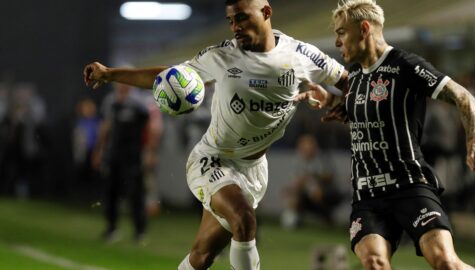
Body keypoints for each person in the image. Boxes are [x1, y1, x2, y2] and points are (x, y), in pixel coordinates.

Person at [83, 0, 347, 268]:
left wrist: (338, 103)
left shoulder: (302, 56)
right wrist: (110, 74)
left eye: (242, 18)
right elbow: (169, 76)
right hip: (213, 159)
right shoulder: (222, 56)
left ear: (266, 12)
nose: (235, 27)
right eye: (231, 20)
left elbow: (348, 83)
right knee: (244, 219)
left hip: (253, 169)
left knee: (202, 256)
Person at [299, 1, 475, 269]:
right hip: (367, 195)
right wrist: (331, 102)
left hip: (409, 186)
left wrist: (474, 142)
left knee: (445, 263)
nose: (337, 41)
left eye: (342, 32)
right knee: (374, 262)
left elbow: (464, 97)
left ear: (365, 29)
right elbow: (363, 116)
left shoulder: (406, 66)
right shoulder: (354, 77)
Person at [93, 84, 151, 243]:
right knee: (110, 192)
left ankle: (140, 231)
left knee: (135, 194)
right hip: (113, 154)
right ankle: (111, 228)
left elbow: (151, 127)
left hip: (133, 155)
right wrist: (99, 150)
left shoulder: (140, 103)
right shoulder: (110, 101)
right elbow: (105, 126)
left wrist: (150, 151)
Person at [281, 134, 342, 228]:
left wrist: (313, 177)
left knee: (319, 194)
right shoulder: (298, 162)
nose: (305, 150)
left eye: (308, 147)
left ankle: (327, 218)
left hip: (326, 191)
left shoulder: (322, 158)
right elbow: (297, 182)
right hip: (307, 193)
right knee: (291, 195)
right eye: (303, 147)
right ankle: (293, 221)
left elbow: (330, 177)